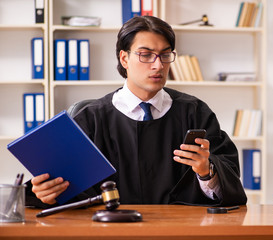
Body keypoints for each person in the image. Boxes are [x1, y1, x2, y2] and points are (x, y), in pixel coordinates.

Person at [25, 16, 247, 208]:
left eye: (165, 54)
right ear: (124, 58)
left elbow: (228, 186)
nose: (158, 65)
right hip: (109, 231)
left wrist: (206, 172)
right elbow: (59, 189)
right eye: (146, 54)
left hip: (179, 231)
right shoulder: (90, 119)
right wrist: (47, 194)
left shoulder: (195, 112)